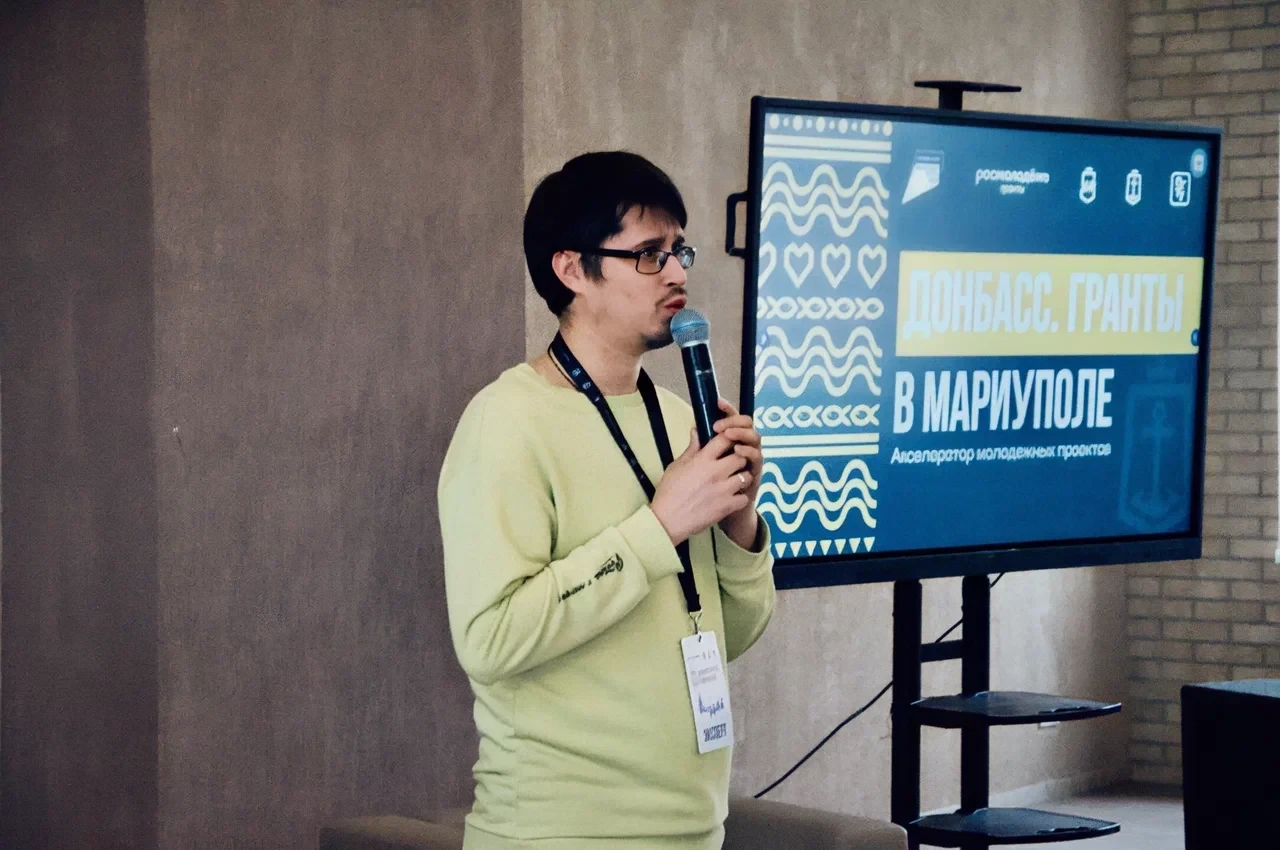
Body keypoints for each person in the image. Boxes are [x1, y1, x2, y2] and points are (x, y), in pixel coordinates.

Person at [438, 151, 776, 849]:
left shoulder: (681, 419)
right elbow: (491, 641)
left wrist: (739, 522)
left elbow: (731, 635)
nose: (678, 272)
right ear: (571, 270)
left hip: (692, 833)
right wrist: (659, 526)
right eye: (650, 254)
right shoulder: (506, 422)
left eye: (679, 249)